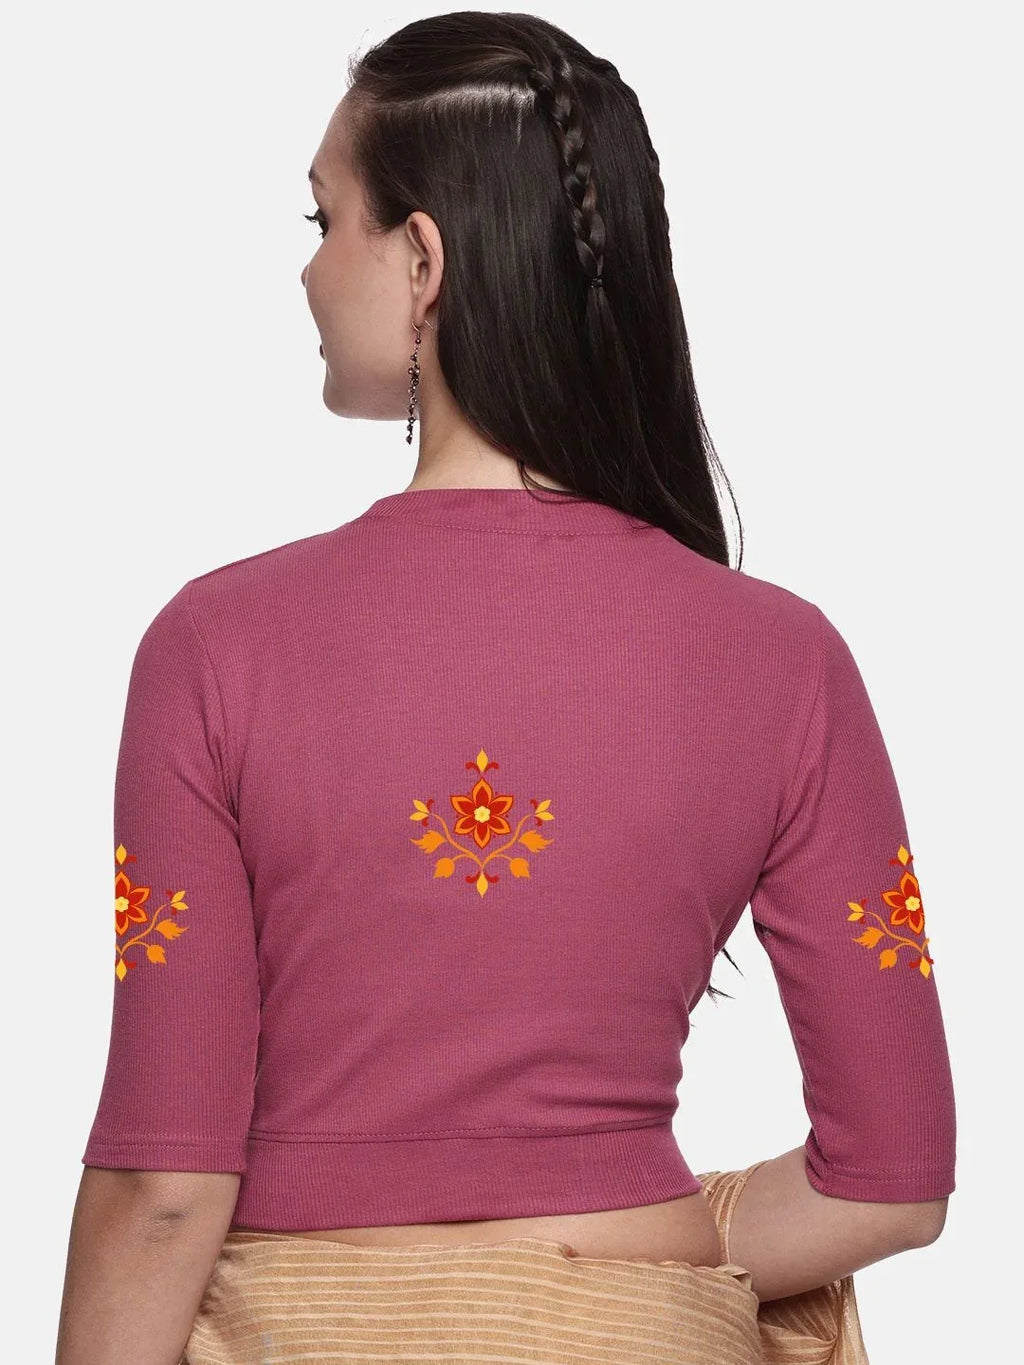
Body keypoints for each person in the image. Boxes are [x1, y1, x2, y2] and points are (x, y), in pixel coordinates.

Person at [56, 11, 955, 1364]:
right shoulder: (784, 657)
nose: (306, 270)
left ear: (422, 261)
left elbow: (164, 1189)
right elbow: (892, 1178)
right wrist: (620, 1246)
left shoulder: (217, 644)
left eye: (323, 219)